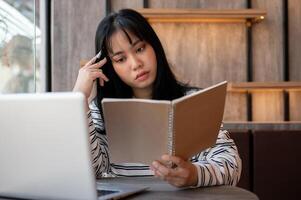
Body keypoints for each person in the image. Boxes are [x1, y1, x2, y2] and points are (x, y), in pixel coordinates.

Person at [73, 8, 241, 188]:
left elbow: (231, 164)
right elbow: (92, 171)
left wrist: (193, 174)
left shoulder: (192, 101)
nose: (136, 64)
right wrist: (79, 98)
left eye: (140, 48)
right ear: (109, 67)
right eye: (121, 59)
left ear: (154, 46)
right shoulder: (101, 111)